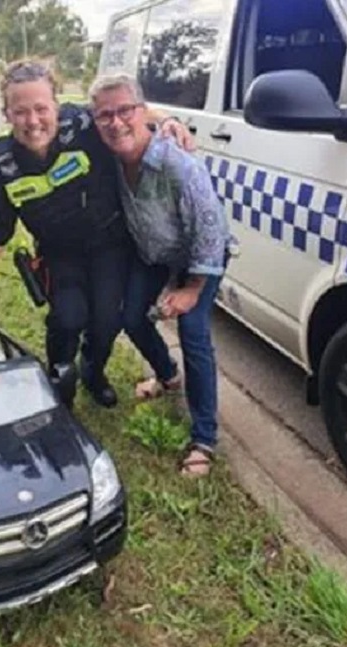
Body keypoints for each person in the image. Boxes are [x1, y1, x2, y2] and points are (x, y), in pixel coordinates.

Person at [0, 59, 195, 408]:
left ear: (56, 106)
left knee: (107, 321)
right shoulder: (5, 170)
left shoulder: (82, 124)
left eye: (41, 109)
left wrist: (168, 121)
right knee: (67, 318)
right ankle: (60, 382)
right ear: (6, 113)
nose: (33, 121)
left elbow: (126, 111)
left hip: (109, 246)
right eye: (20, 112)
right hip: (59, 255)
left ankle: (93, 372)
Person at [88, 73, 234, 477]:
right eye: (104, 115)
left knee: (193, 332)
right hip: (152, 253)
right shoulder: (112, 157)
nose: (115, 122)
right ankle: (168, 377)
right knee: (132, 317)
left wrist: (191, 288)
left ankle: (204, 437)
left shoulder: (178, 165)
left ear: (141, 111)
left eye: (125, 111)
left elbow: (211, 232)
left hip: (198, 258)